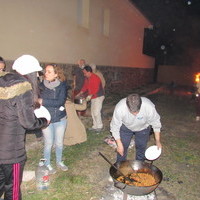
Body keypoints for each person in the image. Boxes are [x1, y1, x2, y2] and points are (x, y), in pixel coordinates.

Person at [0, 55, 48, 200]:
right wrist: (44, 121)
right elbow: (28, 123)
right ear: (31, 72)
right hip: (11, 152)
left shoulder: (3, 81)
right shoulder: (23, 88)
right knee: (13, 189)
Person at [110, 93, 162, 163]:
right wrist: (119, 144)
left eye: (137, 111)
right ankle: (120, 165)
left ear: (141, 105)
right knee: (123, 146)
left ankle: (140, 165)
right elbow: (114, 127)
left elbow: (156, 123)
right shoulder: (120, 108)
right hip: (126, 127)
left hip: (143, 128)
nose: (135, 114)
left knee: (141, 147)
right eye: (132, 112)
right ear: (127, 106)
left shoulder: (148, 107)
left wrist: (158, 141)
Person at [38, 64, 69, 174]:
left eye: (49, 72)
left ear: (56, 74)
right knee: (48, 143)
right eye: (46, 71)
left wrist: (44, 101)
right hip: (46, 119)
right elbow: (37, 102)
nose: (46, 73)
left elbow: (60, 102)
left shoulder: (62, 86)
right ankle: (47, 164)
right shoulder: (41, 86)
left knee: (59, 143)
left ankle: (59, 161)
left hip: (60, 118)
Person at [76, 65, 105, 132]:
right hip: (93, 97)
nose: (84, 74)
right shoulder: (87, 78)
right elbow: (85, 86)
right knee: (92, 112)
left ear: (89, 72)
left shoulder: (95, 78)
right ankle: (95, 126)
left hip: (98, 96)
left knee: (96, 112)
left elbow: (96, 89)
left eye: (85, 73)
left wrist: (90, 95)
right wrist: (80, 93)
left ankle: (100, 127)